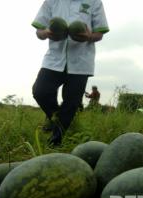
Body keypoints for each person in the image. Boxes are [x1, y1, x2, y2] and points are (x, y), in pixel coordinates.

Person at [32, 0, 109, 146]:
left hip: (81, 61)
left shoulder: (94, 2)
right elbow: (39, 31)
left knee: (71, 102)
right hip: (54, 59)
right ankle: (55, 118)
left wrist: (89, 36)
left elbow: (99, 33)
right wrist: (46, 33)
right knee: (40, 91)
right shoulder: (52, 2)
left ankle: (56, 142)